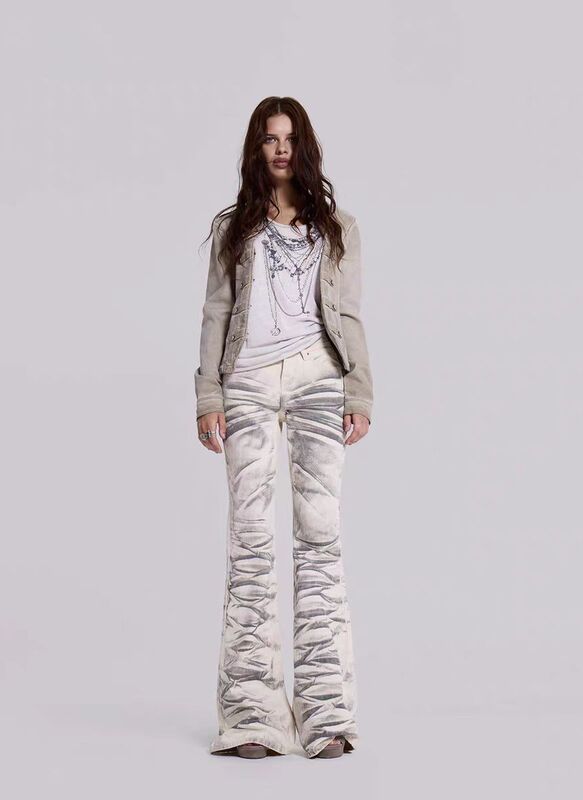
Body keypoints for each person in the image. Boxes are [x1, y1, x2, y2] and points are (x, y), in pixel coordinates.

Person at [194, 96, 374, 760]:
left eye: (290, 138)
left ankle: (327, 715)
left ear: (304, 147)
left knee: (320, 540)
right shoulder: (233, 228)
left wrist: (360, 391)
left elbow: (348, 316)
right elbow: (216, 313)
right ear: (256, 148)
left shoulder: (338, 228)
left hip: (319, 378)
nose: (279, 149)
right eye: (269, 138)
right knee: (250, 541)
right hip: (245, 380)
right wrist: (207, 394)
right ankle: (250, 716)